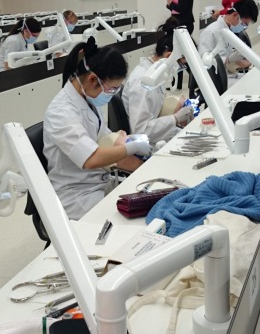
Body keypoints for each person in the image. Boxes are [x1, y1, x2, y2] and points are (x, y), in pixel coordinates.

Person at [43, 37, 150, 220]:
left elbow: (104, 137)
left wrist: (130, 144)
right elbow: (91, 159)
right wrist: (129, 148)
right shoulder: (61, 112)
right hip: (75, 197)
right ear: (93, 80)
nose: (112, 94)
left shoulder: (88, 100)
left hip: (97, 184)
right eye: (112, 90)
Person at [122, 20, 194, 145]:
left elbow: (152, 105)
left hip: (152, 135)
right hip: (141, 143)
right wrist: (175, 119)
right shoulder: (143, 82)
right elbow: (140, 131)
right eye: (182, 65)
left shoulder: (155, 73)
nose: (181, 69)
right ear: (169, 56)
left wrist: (176, 105)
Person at [198, 0, 258, 70]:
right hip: (211, 77)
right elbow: (203, 60)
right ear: (235, 15)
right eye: (244, 24)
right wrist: (229, 60)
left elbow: (222, 52)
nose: (243, 27)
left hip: (223, 74)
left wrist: (238, 60)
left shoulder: (228, 30)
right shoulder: (212, 31)